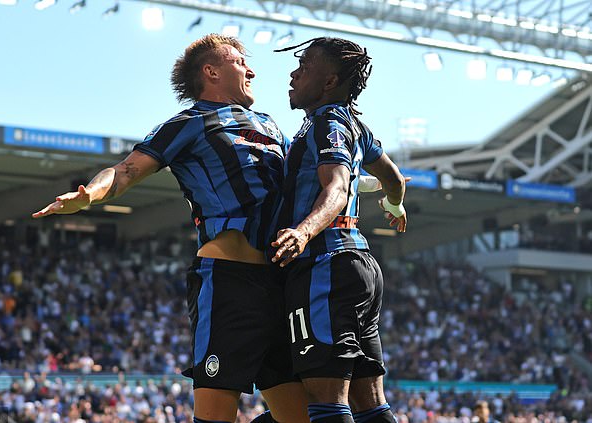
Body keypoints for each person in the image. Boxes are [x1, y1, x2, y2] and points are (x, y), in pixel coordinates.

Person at [32, 34, 309, 423]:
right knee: (216, 413)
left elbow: (307, 177)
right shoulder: (190, 123)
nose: (252, 70)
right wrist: (88, 196)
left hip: (282, 283)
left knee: (305, 416)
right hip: (229, 281)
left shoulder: (270, 125)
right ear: (211, 72)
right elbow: (125, 170)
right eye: (240, 62)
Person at [269, 37, 407, 423]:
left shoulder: (326, 122)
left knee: (326, 400)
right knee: (371, 403)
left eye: (304, 67)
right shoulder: (355, 126)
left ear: (329, 83)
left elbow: (336, 188)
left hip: (324, 264)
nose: (293, 74)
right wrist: (394, 205)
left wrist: (303, 231)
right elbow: (394, 179)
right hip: (358, 265)